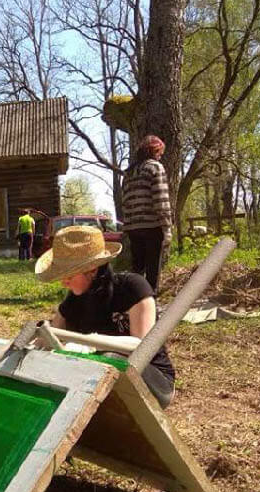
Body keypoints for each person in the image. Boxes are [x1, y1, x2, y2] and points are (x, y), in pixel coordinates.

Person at [35, 225, 175, 407]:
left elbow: (141, 346)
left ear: (92, 269)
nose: (63, 281)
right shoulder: (73, 301)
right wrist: (39, 339)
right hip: (97, 380)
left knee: (109, 358)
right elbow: (52, 335)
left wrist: (91, 342)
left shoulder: (133, 288)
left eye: (68, 274)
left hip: (152, 380)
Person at [122, 134, 172, 294]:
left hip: (133, 228)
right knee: (152, 270)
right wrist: (167, 228)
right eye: (160, 153)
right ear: (155, 151)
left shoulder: (129, 172)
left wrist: (128, 226)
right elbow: (161, 200)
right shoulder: (155, 167)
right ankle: (151, 305)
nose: (160, 156)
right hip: (152, 226)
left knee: (137, 269)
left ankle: (136, 302)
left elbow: (125, 202)